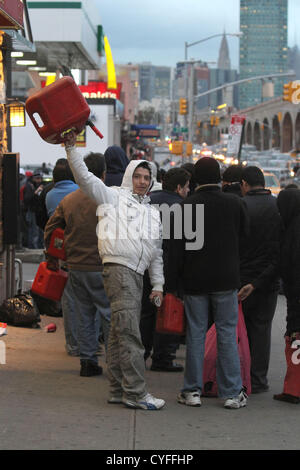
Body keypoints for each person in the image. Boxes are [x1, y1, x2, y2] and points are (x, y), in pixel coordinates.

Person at [64, 130, 165, 411]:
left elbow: (157, 252)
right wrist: (71, 148)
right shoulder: (112, 197)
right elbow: (84, 177)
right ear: (128, 176)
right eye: (138, 176)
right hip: (119, 272)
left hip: (135, 274)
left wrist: (157, 285)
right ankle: (135, 392)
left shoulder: (151, 212)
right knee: (130, 334)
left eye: (147, 178)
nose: (142, 182)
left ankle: (119, 388)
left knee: (119, 333)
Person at [166, 157, 249, 409]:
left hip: (194, 281)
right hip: (226, 279)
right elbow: (245, 239)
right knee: (226, 333)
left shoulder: (184, 207)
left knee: (196, 334)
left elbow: (174, 250)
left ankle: (191, 390)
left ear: (194, 181)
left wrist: (173, 284)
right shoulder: (235, 204)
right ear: (219, 177)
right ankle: (233, 393)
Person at [44, 152, 111, 377]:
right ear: (103, 173)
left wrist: (52, 255)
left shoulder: (69, 200)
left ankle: (87, 361)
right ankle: (114, 360)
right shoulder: (109, 197)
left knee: (84, 313)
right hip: (103, 265)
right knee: (108, 313)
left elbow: (50, 228)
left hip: (76, 265)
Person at [140, 167, 190, 372]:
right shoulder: (182, 207)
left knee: (146, 312)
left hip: (145, 264)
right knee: (168, 310)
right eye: (187, 187)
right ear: (179, 187)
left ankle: (141, 354)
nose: (188, 190)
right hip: (169, 268)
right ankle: (163, 358)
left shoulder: (147, 200)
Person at [238, 166, 281, 394]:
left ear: (244, 184)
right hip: (268, 281)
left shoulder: (242, 206)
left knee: (239, 330)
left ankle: (240, 377)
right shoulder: (277, 207)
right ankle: (258, 379)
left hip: (242, 279)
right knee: (262, 329)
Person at [45, 160, 79, 357]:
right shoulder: (78, 193)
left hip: (59, 249)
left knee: (69, 301)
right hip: (80, 249)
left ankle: (72, 343)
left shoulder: (50, 195)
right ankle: (88, 343)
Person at [273, 189, 300, 404]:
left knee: (295, 337)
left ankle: (293, 389)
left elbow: (288, 266)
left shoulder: (291, 231)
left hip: (296, 295)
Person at [23, 171, 45, 249]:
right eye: (37, 178)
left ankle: (38, 246)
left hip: (37, 211)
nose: (39, 180)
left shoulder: (37, 185)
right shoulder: (30, 186)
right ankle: (33, 247)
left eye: (40, 178)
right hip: (31, 211)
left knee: (38, 231)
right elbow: (27, 199)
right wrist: (36, 192)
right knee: (33, 231)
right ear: (33, 178)